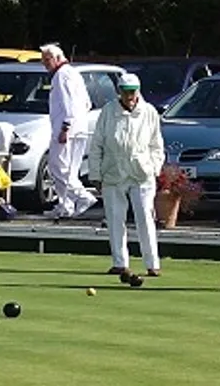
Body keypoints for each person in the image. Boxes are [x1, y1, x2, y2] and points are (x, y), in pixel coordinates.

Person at [85, 73, 164, 277]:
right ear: (119, 91)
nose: (129, 96)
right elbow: (97, 145)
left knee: (145, 217)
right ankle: (120, 263)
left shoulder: (149, 112)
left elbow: (157, 145)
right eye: (125, 91)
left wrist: (154, 168)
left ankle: (152, 264)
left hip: (141, 173)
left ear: (138, 90)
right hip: (114, 171)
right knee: (114, 218)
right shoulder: (108, 112)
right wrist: (96, 174)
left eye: (132, 91)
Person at [41, 44, 100, 219]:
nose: (44, 64)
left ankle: (83, 198)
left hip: (67, 130)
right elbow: (87, 103)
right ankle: (65, 205)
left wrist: (65, 127)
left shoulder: (61, 76)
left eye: (47, 59)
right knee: (70, 170)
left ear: (57, 58)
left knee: (57, 167)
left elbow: (69, 105)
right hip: (80, 129)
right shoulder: (73, 73)